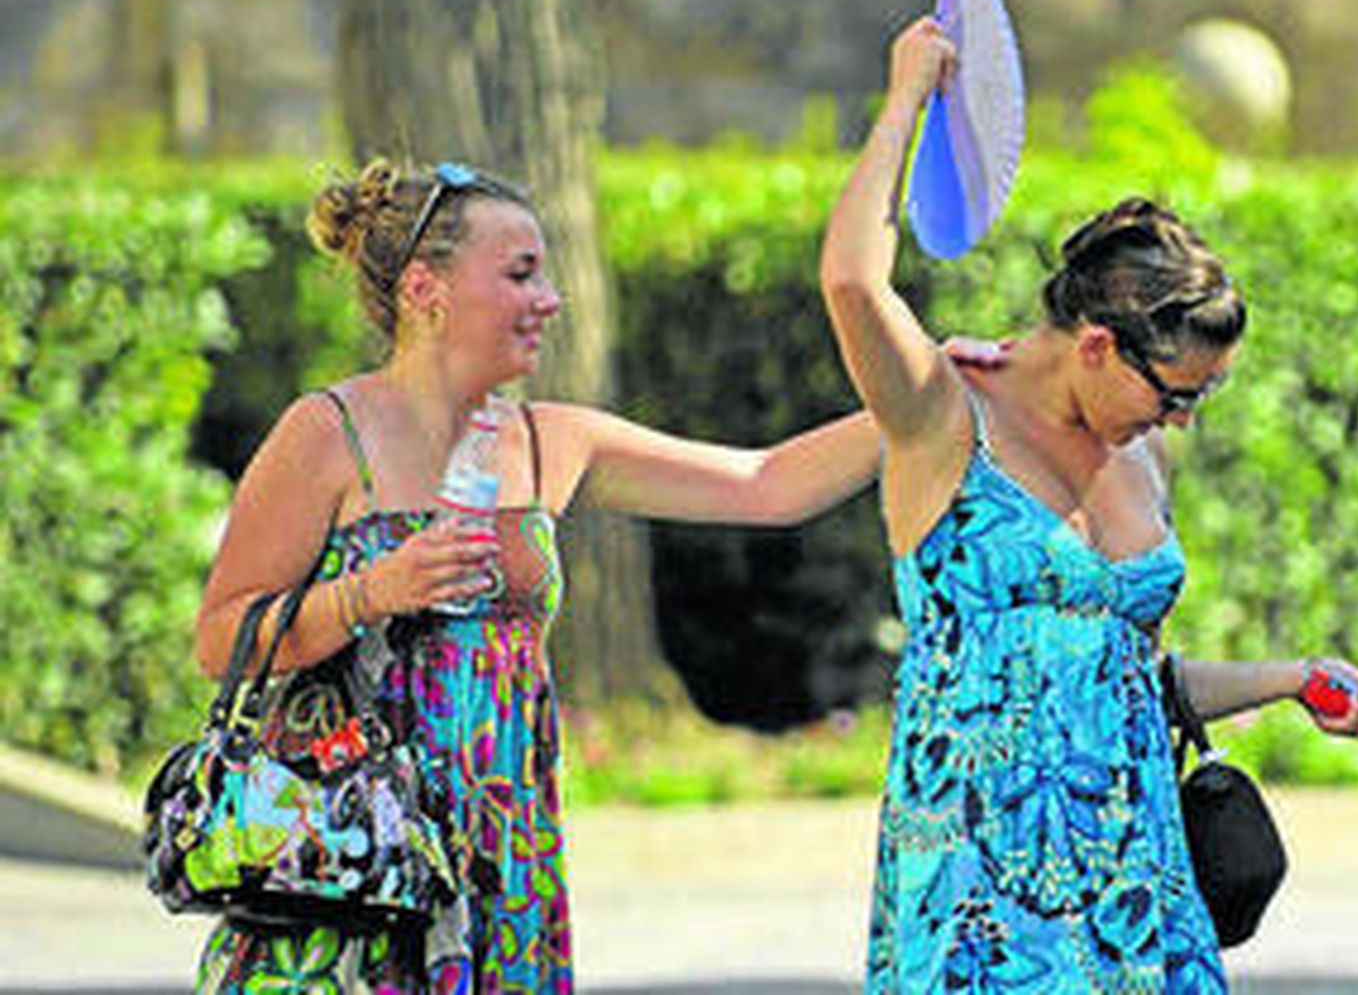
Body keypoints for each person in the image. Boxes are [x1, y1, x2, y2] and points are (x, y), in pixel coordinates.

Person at [189, 158, 882, 992]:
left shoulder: (552, 441)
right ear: (424, 289)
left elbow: (768, 483)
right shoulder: (327, 433)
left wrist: (930, 395)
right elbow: (220, 634)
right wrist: (370, 591)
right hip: (353, 860)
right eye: (521, 273)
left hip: (501, 861)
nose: (550, 299)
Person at [819, 17, 1358, 992]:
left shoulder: (1139, 461)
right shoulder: (943, 418)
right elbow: (849, 279)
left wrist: (1295, 678)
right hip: (979, 906)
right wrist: (904, 99)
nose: (1178, 421)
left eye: (1200, 399)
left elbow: (1124, 675)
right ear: (1096, 344)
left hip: (1138, 899)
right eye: (1172, 392)